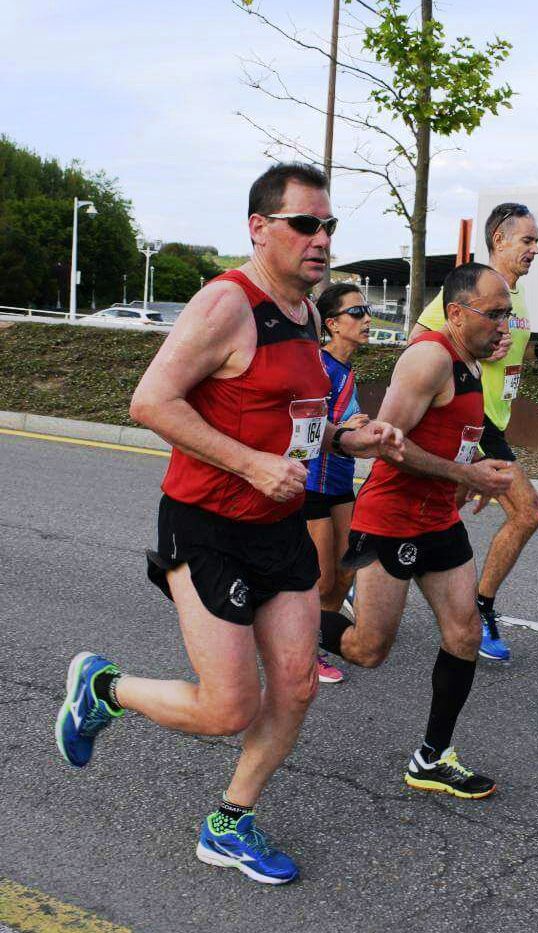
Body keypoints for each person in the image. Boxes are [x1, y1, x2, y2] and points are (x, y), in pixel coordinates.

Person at [54, 162, 403, 886]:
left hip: (279, 523)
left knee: (298, 684)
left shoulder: (306, 313)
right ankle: (103, 689)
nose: (321, 238)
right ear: (259, 228)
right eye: (304, 224)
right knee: (227, 705)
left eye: (329, 225)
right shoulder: (226, 303)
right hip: (207, 522)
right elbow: (149, 401)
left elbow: (294, 420)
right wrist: (247, 463)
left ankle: (229, 821)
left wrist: (346, 439)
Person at [320, 262, 515, 798]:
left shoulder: (474, 365)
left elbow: (454, 435)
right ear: (456, 313)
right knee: (367, 649)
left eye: (508, 314)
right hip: (391, 519)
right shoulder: (430, 357)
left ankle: (432, 756)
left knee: (465, 633)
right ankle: (282, 622)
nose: (504, 325)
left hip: (438, 520)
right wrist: (465, 473)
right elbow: (389, 444)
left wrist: (475, 473)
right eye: (494, 314)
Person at [410, 204, 538, 661]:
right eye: (527, 240)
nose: (535, 249)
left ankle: (368, 572)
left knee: (430, 514)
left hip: (494, 424)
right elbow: (418, 345)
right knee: (528, 512)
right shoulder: (472, 289)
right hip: (471, 424)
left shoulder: (514, 298)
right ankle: (479, 609)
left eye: (536, 241)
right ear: (499, 240)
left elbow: (507, 361)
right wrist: (471, 356)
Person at [306, 283, 372, 684]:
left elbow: (349, 421)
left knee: (348, 570)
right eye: (357, 312)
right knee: (323, 580)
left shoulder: (346, 369)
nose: (367, 319)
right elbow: (301, 424)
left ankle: (317, 637)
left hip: (341, 481)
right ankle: (301, 654)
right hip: (312, 484)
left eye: (367, 311)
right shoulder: (318, 366)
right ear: (332, 324)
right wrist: (342, 430)